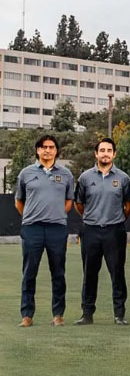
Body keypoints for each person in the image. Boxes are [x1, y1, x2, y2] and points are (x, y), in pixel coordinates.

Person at [15, 135, 74, 327]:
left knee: (58, 273)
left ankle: (58, 315)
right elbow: (19, 202)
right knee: (29, 272)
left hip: (57, 229)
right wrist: (31, 217)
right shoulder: (26, 173)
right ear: (37, 150)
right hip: (32, 229)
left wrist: (55, 215)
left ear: (56, 151)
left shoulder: (66, 174)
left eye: (51, 147)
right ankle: (27, 315)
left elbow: (68, 202)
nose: (47, 150)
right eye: (43, 147)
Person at [73, 137, 130, 325]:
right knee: (89, 273)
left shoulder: (123, 178)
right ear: (96, 154)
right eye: (102, 150)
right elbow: (79, 204)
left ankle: (119, 314)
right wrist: (91, 218)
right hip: (90, 230)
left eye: (109, 150)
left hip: (115, 231)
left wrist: (116, 220)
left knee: (117, 273)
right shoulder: (85, 177)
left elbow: (128, 205)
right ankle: (87, 313)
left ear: (114, 154)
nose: (105, 154)